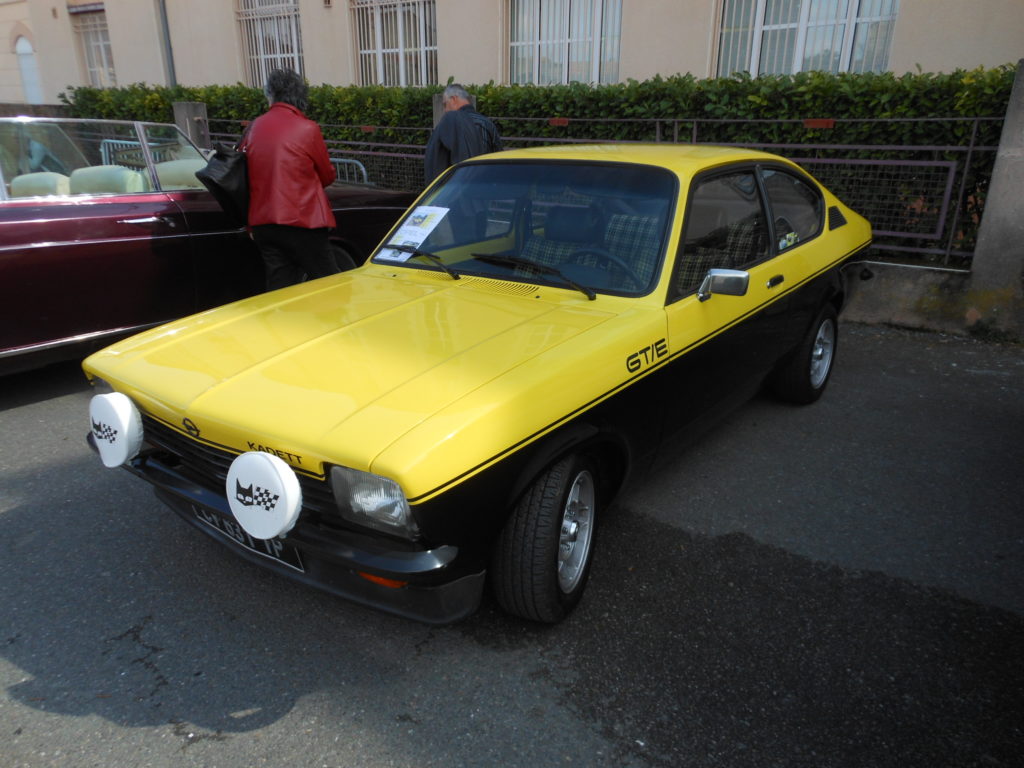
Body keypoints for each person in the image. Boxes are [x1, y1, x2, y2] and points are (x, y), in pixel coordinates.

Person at [241, 68, 339, 290]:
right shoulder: (307, 128)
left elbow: (244, 172)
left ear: (271, 95)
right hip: (303, 220)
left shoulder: (254, 127)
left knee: (280, 287)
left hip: (263, 223)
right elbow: (327, 175)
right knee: (329, 284)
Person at [424, 83, 502, 183]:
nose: (445, 110)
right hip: (487, 185)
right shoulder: (487, 123)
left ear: (454, 99)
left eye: (445, 104)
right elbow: (498, 158)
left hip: (460, 187)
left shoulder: (452, 125)